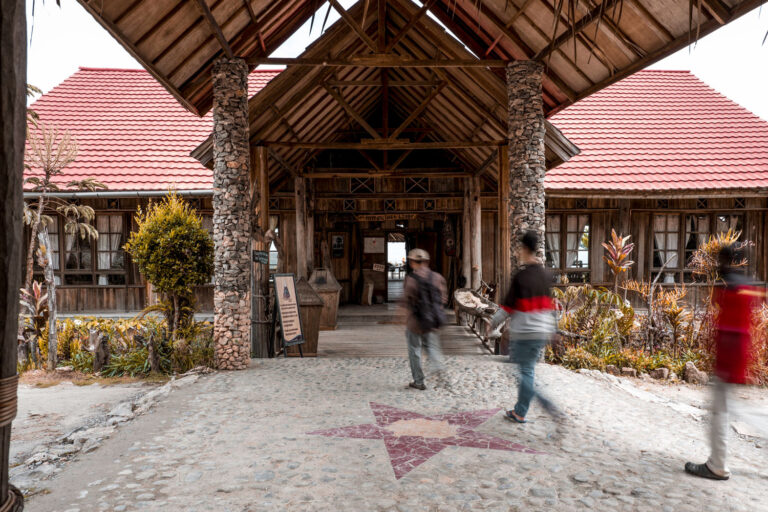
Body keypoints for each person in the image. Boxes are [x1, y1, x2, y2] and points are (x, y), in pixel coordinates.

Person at [685, 246, 763, 480]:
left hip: (730, 355)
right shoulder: (746, 285)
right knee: (730, 409)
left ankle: (717, 465)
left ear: (727, 260)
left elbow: (730, 326)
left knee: (721, 411)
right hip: (737, 353)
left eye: (720, 259)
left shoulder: (732, 287)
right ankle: (716, 462)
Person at [499, 231, 561, 424]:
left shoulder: (521, 277)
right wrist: (554, 330)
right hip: (542, 332)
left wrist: (491, 324)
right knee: (528, 371)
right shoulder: (546, 275)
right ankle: (520, 411)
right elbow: (551, 305)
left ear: (524, 249)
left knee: (521, 373)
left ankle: (547, 405)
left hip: (524, 333)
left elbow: (507, 307)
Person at [402, 248, 447, 390]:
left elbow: (405, 300)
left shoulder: (411, 279)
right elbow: (443, 299)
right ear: (427, 261)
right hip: (432, 320)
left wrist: (402, 318)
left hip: (415, 322)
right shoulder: (438, 277)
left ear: (412, 262)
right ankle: (439, 368)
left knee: (415, 350)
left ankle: (419, 381)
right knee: (433, 348)